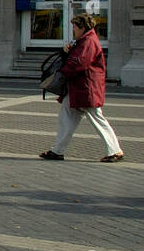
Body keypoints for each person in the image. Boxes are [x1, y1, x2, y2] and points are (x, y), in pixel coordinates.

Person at [40, 14, 125, 163]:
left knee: (96, 118)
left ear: (82, 27)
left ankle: (115, 150)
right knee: (66, 118)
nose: (73, 30)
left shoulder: (88, 41)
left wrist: (62, 71)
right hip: (78, 89)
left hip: (85, 88)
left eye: (74, 27)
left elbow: (79, 63)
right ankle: (57, 151)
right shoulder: (84, 40)